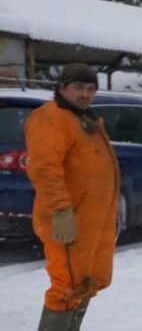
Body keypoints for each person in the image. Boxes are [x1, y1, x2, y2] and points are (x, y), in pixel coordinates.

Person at [25, 64, 120, 330]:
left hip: (95, 221)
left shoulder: (86, 120)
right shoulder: (50, 118)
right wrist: (60, 211)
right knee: (67, 286)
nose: (85, 94)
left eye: (90, 89)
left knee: (91, 281)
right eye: (78, 87)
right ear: (62, 88)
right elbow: (45, 168)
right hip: (68, 220)